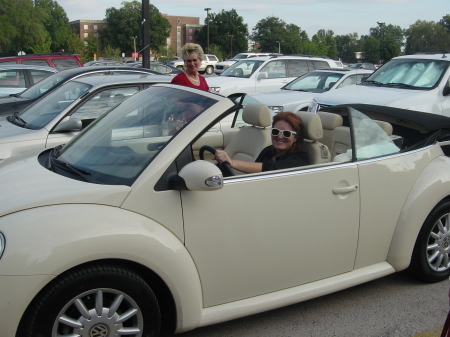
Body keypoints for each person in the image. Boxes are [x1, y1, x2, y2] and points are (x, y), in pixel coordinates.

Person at [214, 111, 309, 173]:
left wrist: (232, 162)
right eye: (276, 131)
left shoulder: (300, 158)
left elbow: (269, 168)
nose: (280, 136)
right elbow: (254, 175)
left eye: (286, 134)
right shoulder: (268, 151)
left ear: (295, 137)